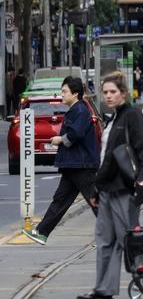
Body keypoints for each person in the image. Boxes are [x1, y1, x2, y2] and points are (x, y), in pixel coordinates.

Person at [77, 72, 143, 299]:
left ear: (123, 93)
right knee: (105, 240)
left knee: (131, 241)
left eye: (113, 92)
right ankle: (103, 290)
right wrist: (96, 189)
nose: (108, 96)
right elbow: (107, 158)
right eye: (105, 92)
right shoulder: (114, 118)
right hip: (106, 189)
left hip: (124, 188)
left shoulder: (132, 117)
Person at [23, 77, 99, 245]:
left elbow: (76, 133)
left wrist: (60, 139)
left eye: (64, 91)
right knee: (61, 199)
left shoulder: (80, 109)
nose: (61, 95)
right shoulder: (76, 109)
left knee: (94, 200)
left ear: (76, 93)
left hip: (81, 165)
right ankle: (42, 232)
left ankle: (114, 230)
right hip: (73, 164)